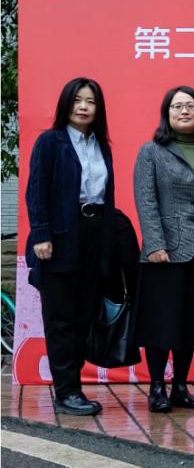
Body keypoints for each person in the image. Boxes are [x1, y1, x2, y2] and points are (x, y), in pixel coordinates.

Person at [25, 77, 115, 416]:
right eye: (78, 100)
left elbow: (107, 196)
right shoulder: (51, 141)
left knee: (83, 316)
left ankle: (73, 386)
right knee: (60, 318)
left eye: (90, 101)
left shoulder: (101, 145)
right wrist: (41, 234)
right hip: (60, 237)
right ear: (66, 103)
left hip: (93, 236)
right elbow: (37, 191)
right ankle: (66, 391)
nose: (84, 107)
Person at [133, 86, 194, 413]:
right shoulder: (151, 151)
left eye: (190, 105)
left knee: (190, 323)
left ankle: (180, 387)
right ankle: (157, 387)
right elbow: (145, 199)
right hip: (165, 252)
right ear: (167, 114)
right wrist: (155, 243)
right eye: (177, 106)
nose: (184, 111)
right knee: (161, 323)